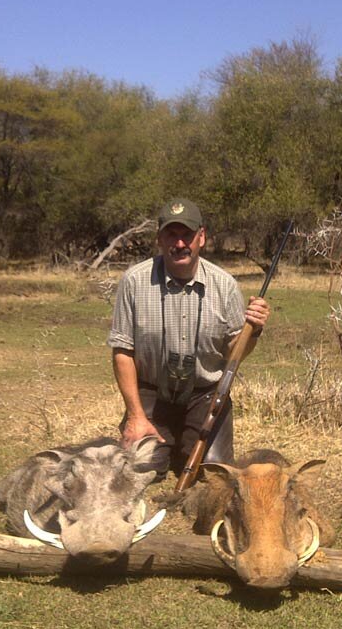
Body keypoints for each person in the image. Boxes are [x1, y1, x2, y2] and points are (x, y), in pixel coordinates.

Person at [107, 198, 271, 479]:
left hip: (204, 394)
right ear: (159, 238)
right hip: (152, 393)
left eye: (187, 235)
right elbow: (123, 350)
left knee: (212, 474)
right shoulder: (134, 281)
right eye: (172, 234)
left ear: (202, 237)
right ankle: (165, 445)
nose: (180, 244)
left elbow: (235, 353)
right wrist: (135, 416)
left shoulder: (226, 286)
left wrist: (252, 330)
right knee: (136, 471)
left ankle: (178, 444)